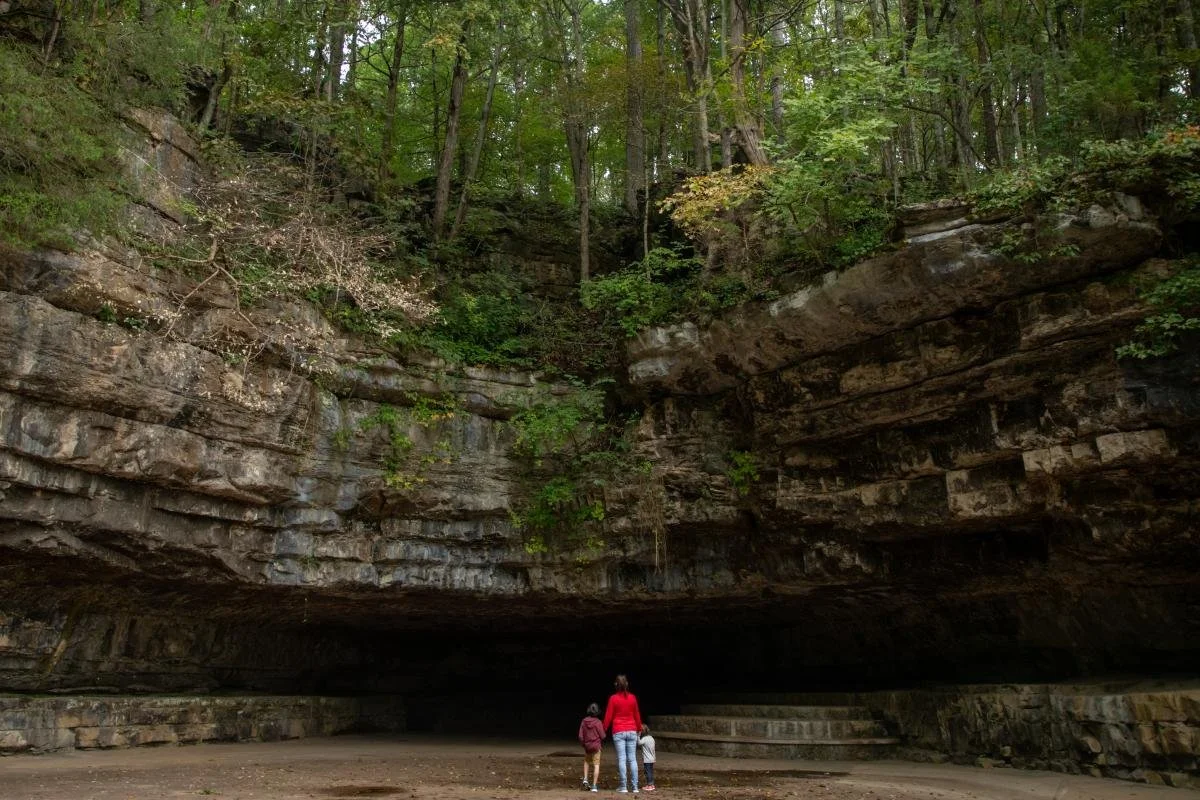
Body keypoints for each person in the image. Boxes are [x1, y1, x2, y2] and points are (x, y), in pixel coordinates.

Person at [602, 674, 643, 794]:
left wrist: (603, 729)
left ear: (616, 685)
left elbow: (608, 716)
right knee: (633, 759)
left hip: (618, 730)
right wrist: (639, 727)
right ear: (627, 684)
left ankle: (623, 786)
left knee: (622, 759)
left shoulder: (613, 698)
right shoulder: (633, 698)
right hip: (631, 730)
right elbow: (637, 714)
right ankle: (635, 787)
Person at [578, 702, 605, 792]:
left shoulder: (584, 721)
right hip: (596, 747)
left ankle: (585, 779)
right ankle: (594, 786)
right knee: (596, 765)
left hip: (587, 746)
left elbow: (580, 736)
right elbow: (603, 736)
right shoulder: (598, 722)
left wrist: (583, 744)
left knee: (586, 762)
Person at [639, 723, 656, 791]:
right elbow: (653, 749)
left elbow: (638, 743)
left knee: (647, 772)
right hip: (652, 759)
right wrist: (654, 758)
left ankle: (650, 785)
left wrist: (637, 735)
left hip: (647, 760)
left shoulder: (644, 739)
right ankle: (651, 784)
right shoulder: (652, 738)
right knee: (650, 772)